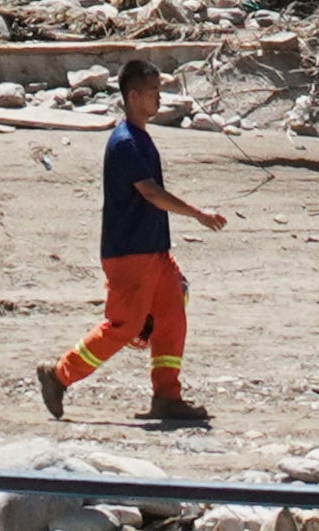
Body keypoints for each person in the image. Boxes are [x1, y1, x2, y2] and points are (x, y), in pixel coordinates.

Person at [47, 56, 222, 426]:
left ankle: (167, 397)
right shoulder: (125, 142)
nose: (159, 99)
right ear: (134, 95)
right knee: (124, 325)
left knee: (172, 315)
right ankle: (59, 375)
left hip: (154, 252)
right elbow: (152, 194)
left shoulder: (139, 138)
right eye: (154, 92)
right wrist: (198, 215)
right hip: (130, 253)